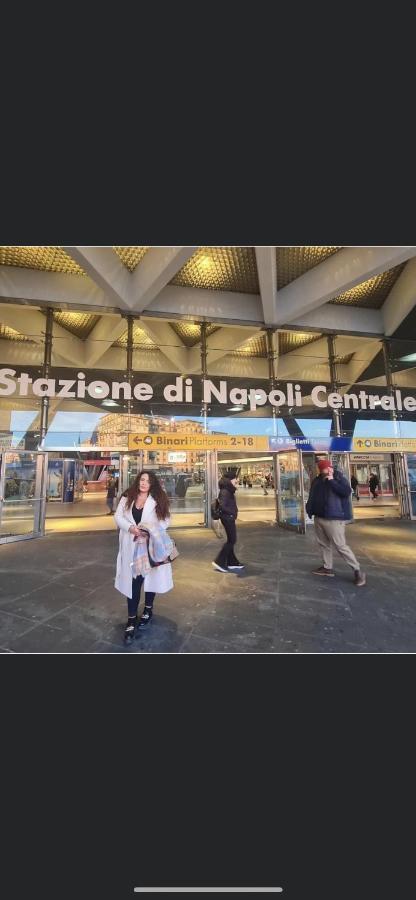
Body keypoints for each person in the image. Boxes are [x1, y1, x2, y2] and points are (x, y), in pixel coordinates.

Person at [114, 470, 173, 643]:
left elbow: (166, 521)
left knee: (150, 579)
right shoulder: (127, 497)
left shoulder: (158, 501)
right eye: (142, 479)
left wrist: (149, 531)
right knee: (133, 581)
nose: (144, 483)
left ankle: (148, 609)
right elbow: (118, 516)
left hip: (150, 546)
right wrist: (130, 528)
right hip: (131, 545)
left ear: (152, 484)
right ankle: (131, 619)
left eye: (147, 481)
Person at [306, 459, 366, 586]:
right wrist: (309, 509)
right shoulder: (317, 480)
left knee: (340, 546)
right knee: (323, 544)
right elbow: (312, 496)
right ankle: (327, 567)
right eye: (322, 468)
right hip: (319, 517)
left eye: (327, 468)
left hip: (334, 518)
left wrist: (331, 480)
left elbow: (346, 492)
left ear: (330, 468)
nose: (325, 470)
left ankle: (357, 570)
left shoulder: (339, 478)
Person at [212, 468, 244, 573]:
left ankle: (232, 562)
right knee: (232, 540)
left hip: (228, 517)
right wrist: (232, 512)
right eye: (235, 479)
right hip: (227, 518)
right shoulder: (225, 491)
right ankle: (219, 561)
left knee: (231, 540)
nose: (236, 481)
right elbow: (222, 505)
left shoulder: (227, 489)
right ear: (230, 480)